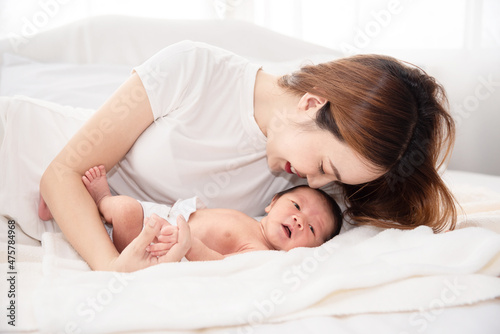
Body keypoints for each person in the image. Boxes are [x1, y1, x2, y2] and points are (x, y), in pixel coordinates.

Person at [39, 41, 457, 272]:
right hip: (28, 152)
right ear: (311, 104)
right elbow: (61, 174)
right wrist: (111, 270)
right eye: (326, 167)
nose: (314, 184)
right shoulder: (194, 71)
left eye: (333, 181)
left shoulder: (302, 195)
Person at [39, 165, 342, 261]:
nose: (300, 220)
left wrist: (190, 245)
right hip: (165, 217)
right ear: (272, 203)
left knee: (127, 210)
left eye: (312, 230)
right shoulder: (251, 221)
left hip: (157, 250)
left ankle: (101, 198)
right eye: (296, 206)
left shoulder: (260, 253)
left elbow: (221, 264)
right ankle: (67, 201)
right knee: (131, 210)